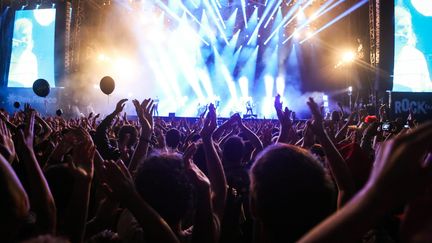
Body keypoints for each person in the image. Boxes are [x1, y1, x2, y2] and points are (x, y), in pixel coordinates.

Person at [393, 6, 432, 92]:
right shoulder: (385, 57)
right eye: (401, 27)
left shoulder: (418, 56)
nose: (406, 30)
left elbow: (427, 88)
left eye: (408, 26)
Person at [8, 18, 38, 88]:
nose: (28, 38)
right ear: (16, 36)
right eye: (24, 35)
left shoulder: (32, 58)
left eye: (29, 34)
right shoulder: (8, 57)